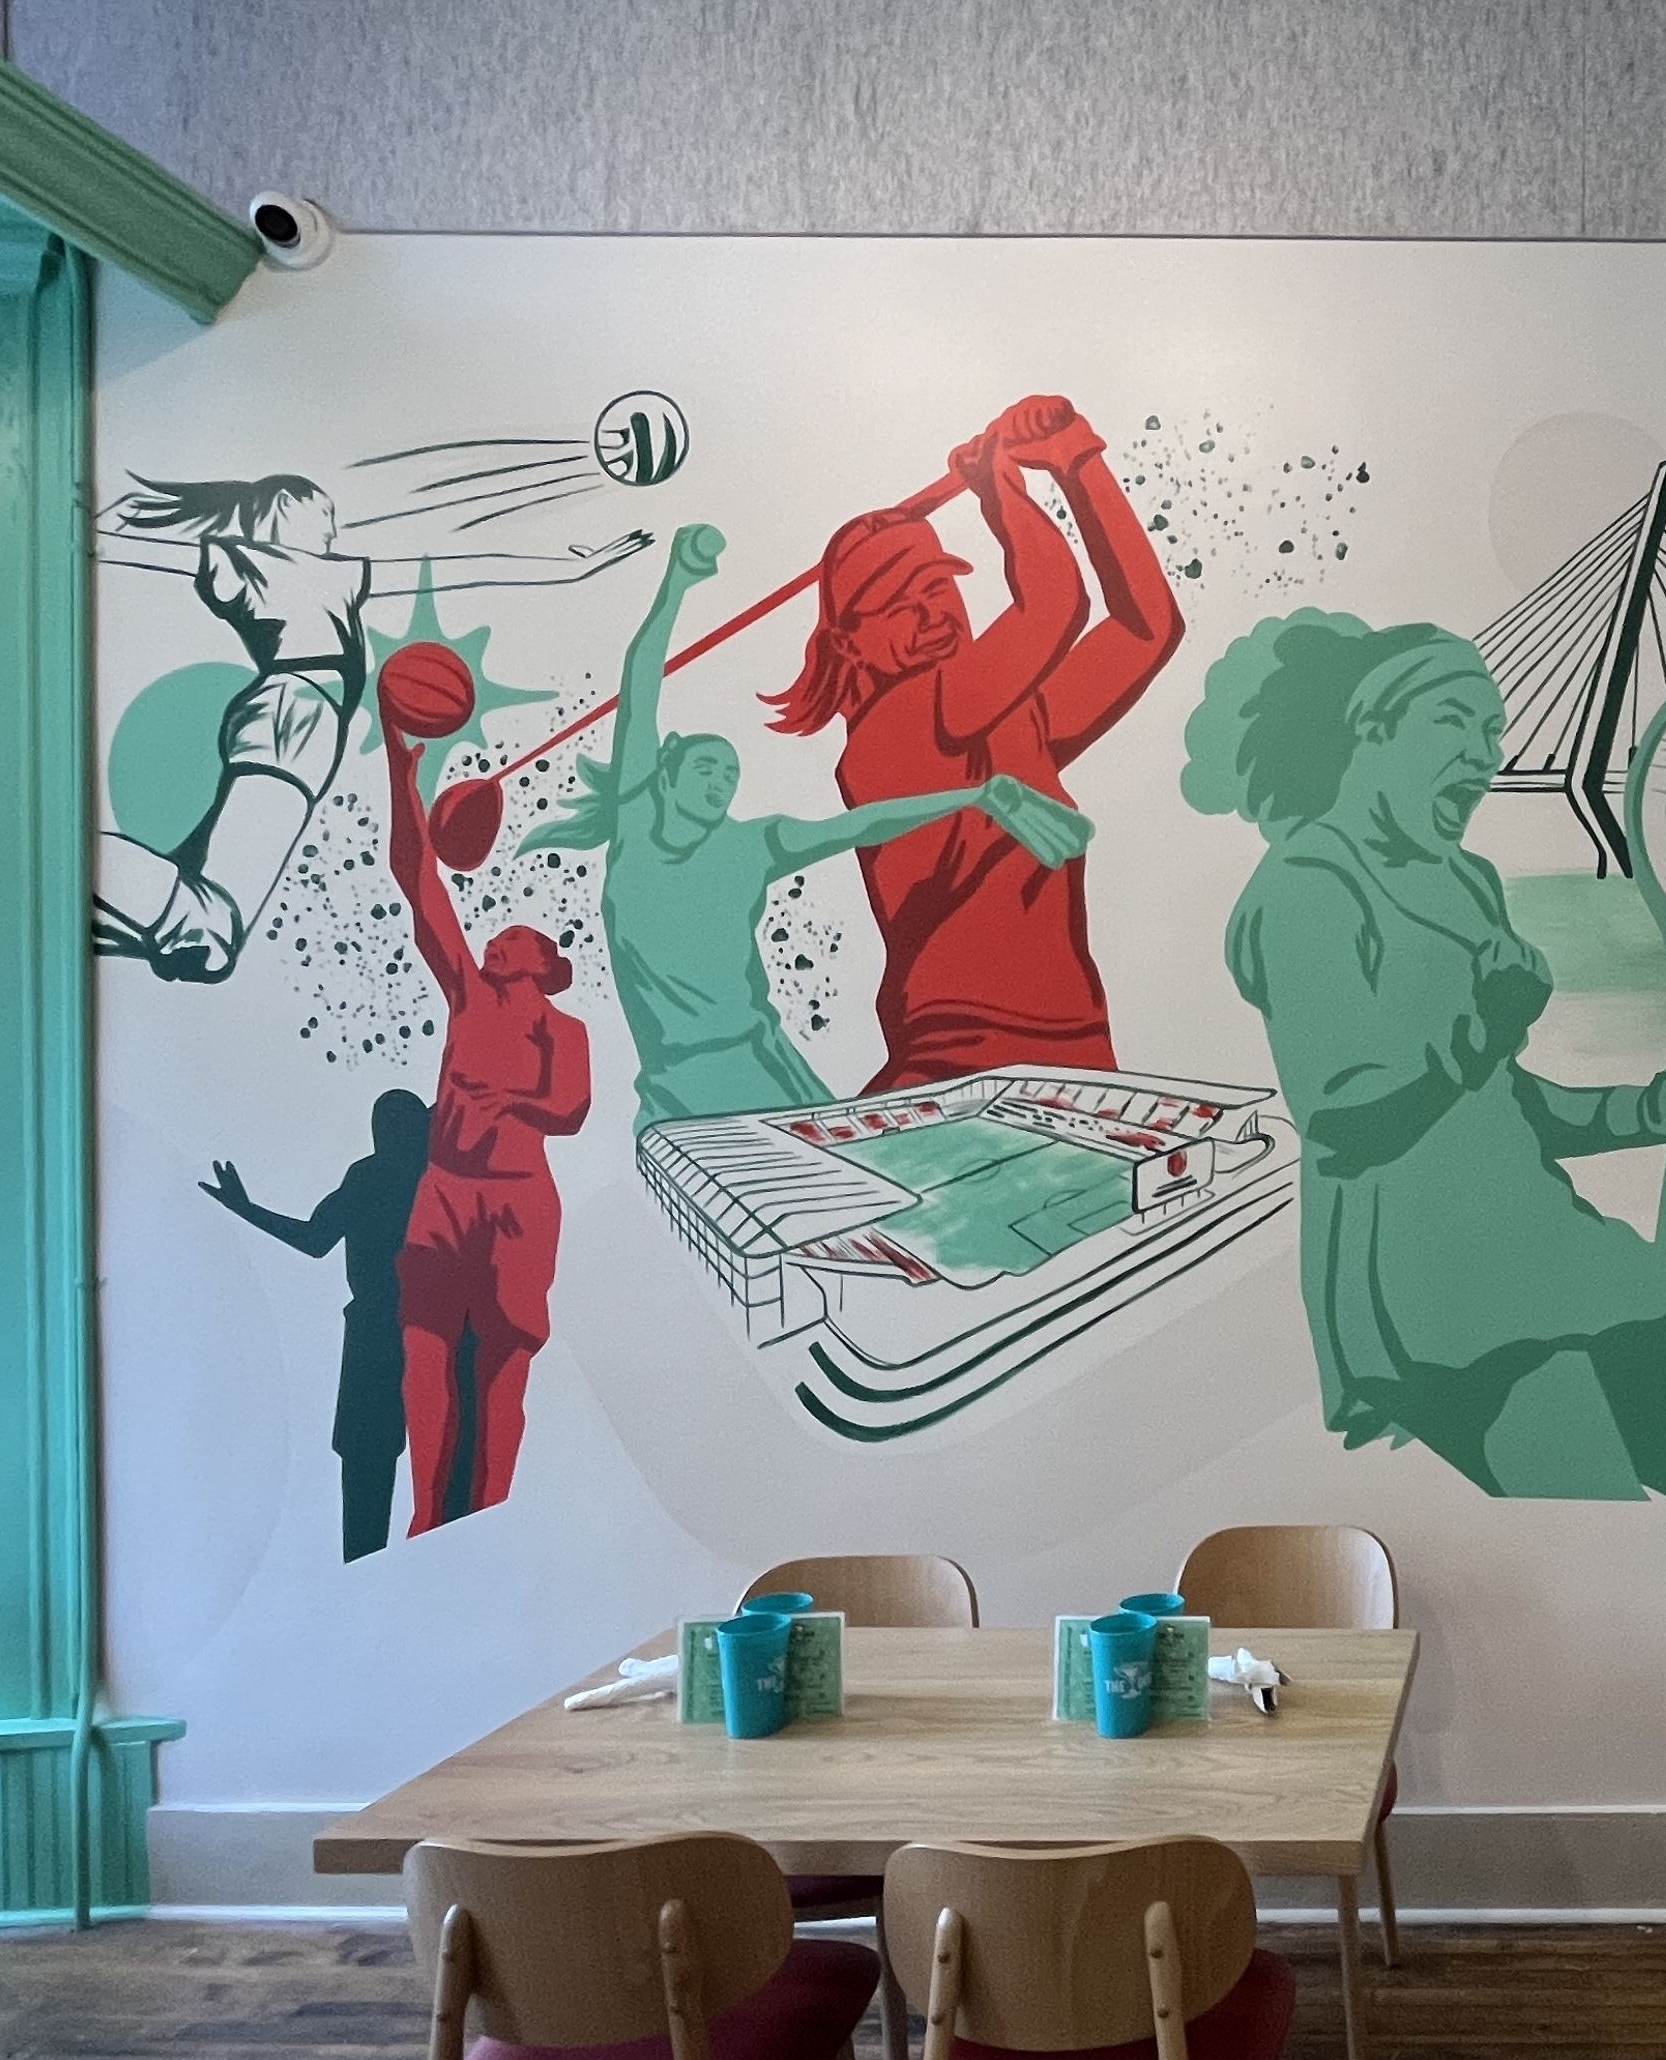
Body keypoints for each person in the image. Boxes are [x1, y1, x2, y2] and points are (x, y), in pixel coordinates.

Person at [1183, 610, 1666, 1504]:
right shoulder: (1305, 888)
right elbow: (1343, 1123)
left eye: (1492, 733)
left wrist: (1646, 1111)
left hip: (1554, 1247)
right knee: (1596, 1511)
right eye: (1453, 722)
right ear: (1373, 722)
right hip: (1426, 1297)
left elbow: (1502, 1105)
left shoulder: (1468, 880)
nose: (1482, 755)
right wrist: (1481, 1031)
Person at [532, 524, 1095, 1128]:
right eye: (705, 767)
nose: (720, 781)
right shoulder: (635, 831)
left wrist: (972, 797)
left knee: (875, 1183)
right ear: (664, 773)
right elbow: (641, 679)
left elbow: (859, 827)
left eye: (729, 772)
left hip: (768, 1065)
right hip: (681, 1088)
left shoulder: (749, 845)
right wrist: (677, 583)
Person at [767, 394, 1183, 1090]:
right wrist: (1000, 491)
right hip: (957, 1066)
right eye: (898, 602)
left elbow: (1144, 628)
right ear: (851, 643)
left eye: (936, 585)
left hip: (1073, 1053)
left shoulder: (1004, 722)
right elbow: (1053, 603)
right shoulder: (892, 731)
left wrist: (1079, 464)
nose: (929, 611)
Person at [92, 473, 647, 984]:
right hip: (299, 710)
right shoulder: (252, 561)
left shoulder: (306, 569)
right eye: (324, 514)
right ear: (287, 506)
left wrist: (564, 567)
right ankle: (74, 862)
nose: (334, 529)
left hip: (294, 712)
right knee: (211, 919)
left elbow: (462, 567)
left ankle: (71, 889)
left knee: (209, 928)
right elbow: (120, 546)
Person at [378, 664, 595, 1535]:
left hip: (514, 1202)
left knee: (504, 1365)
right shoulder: (466, 993)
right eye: (498, 932)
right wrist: (402, 769)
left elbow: (571, 1109)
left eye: (519, 935)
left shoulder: (561, 1027)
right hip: (444, 1189)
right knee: (423, 1352)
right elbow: (415, 873)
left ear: (545, 965)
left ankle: (492, 1508)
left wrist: (505, 1093)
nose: (500, 935)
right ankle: (429, 1514)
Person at [200, 1092, 428, 1561]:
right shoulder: (403, 1178)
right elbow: (315, 1239)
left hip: (400, 1334)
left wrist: (244, 1209)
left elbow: (313, 1239)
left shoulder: (374, 1177)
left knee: (375, 1463)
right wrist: (244, 1208)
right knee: (375, 1461)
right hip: (404, 1333)